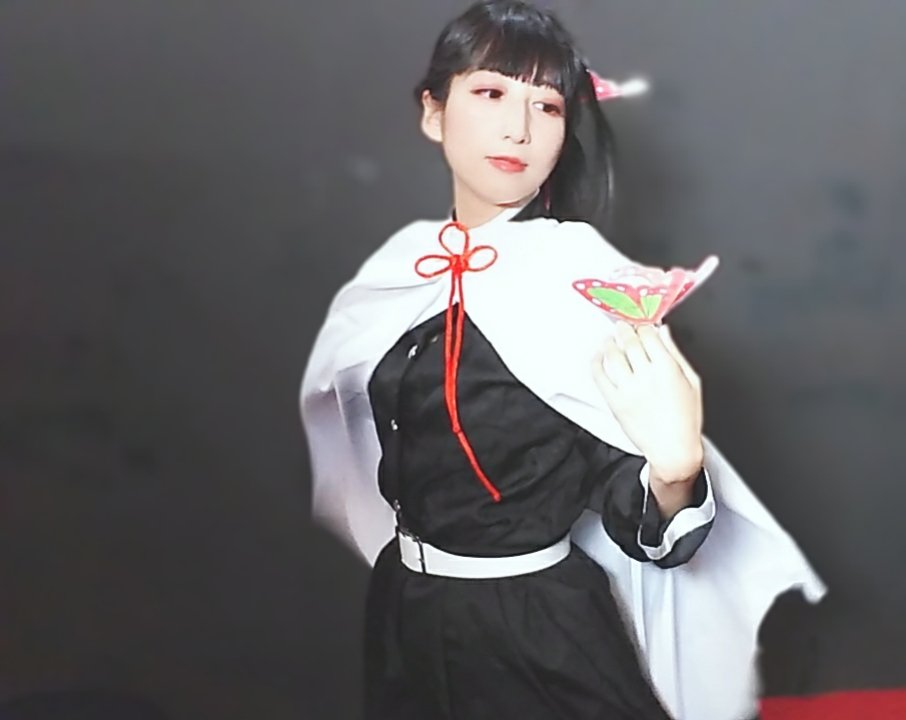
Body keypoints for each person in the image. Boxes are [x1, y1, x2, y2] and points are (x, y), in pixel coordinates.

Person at [300, 2, 825, 718]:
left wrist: (675, 470)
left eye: (546, 106)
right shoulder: (397, 273)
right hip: (405, 611)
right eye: (491, 93)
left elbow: (633, 504)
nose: (518, 128)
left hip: (534, 627)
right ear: (434, 112)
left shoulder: (586, 287)